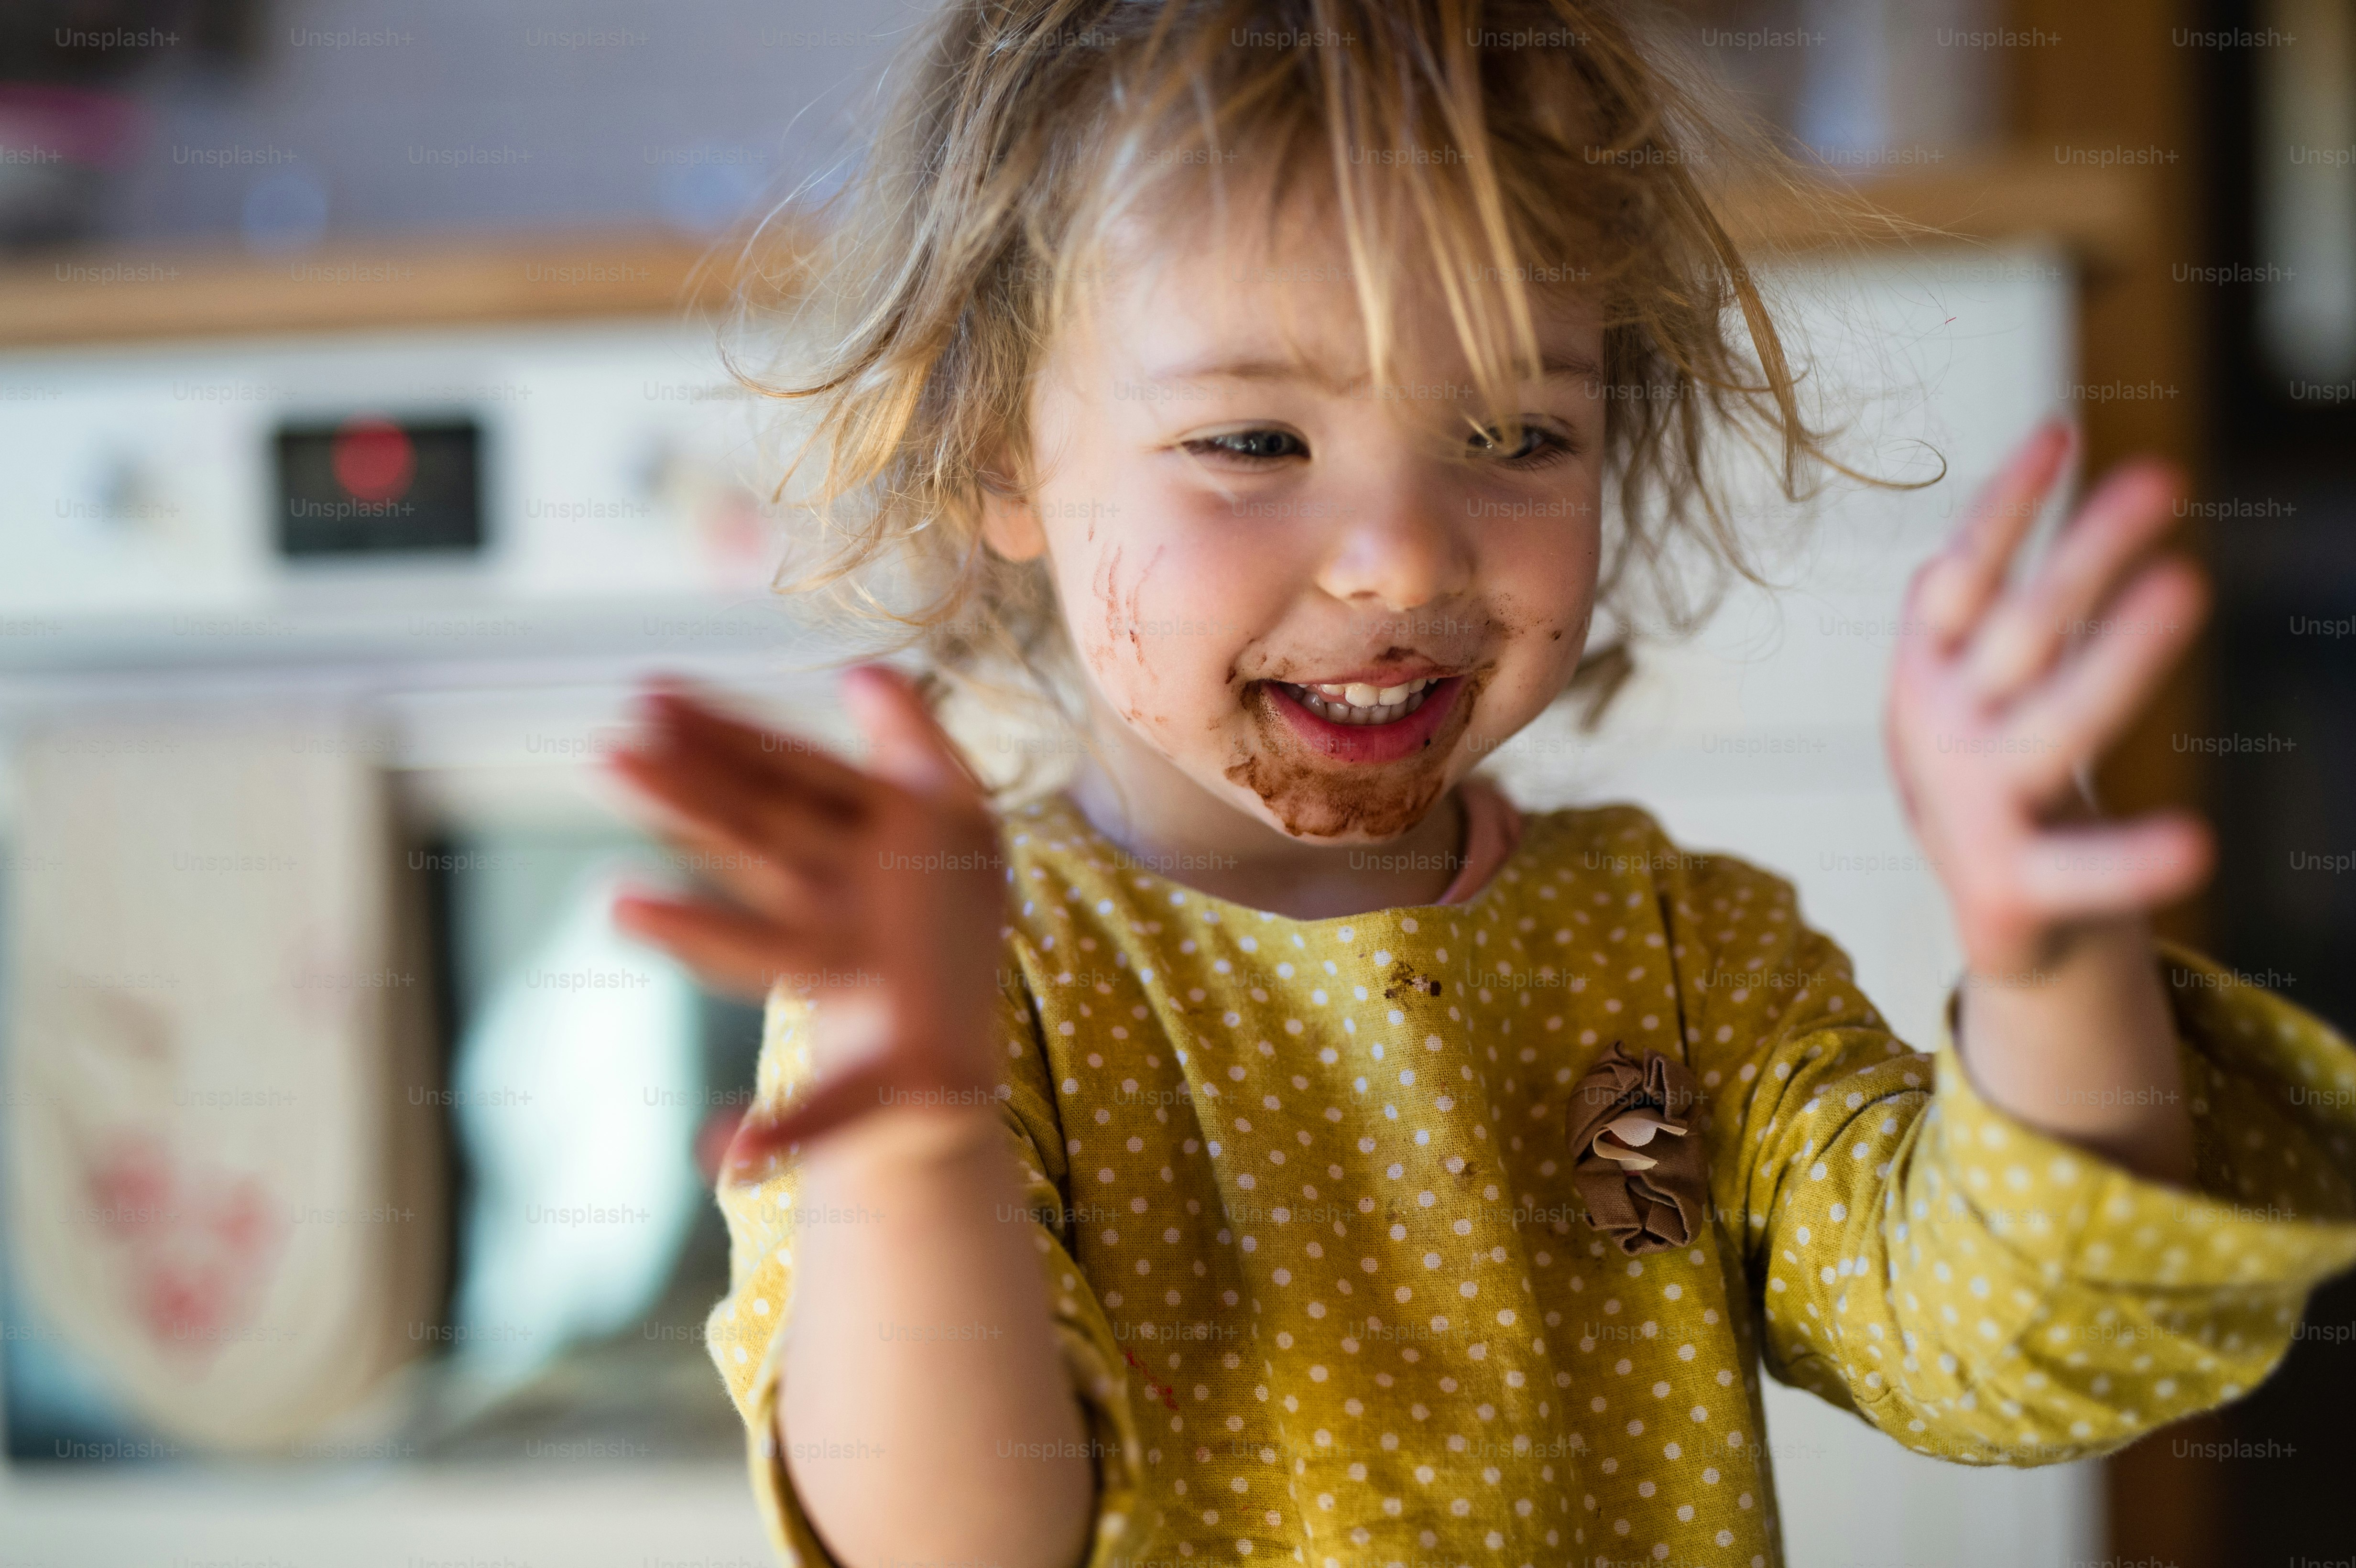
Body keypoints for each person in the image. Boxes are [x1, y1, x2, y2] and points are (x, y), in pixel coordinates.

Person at [607, 5, 2356, 1567]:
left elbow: (2014, 1354)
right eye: (1253, 442)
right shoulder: (956, 986)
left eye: (1517, 437)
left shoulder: (1675, 951)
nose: (1397, 555)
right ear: (1002, 451)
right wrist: (914, 1137)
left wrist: (2056, 977)